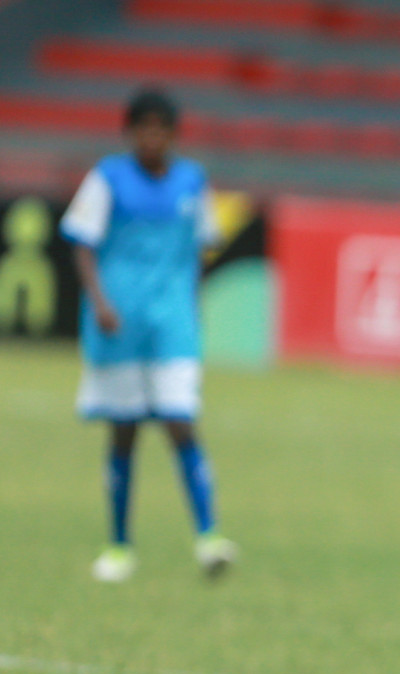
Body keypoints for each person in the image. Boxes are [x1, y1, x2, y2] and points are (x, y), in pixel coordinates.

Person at [60, 88, 236, 582]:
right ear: (130, 132)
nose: (152, 138)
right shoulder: (107, 178)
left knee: (180, 421)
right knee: (124, 431)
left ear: (174, 135)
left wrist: (191, 304)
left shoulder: (192, 182)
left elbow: (202, 247)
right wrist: (99, 301)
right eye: (144, 128)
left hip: (173, 325)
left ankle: (209, 537)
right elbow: (82, 244)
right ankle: (118, 545)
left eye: (161, 129)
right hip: (118, 322)